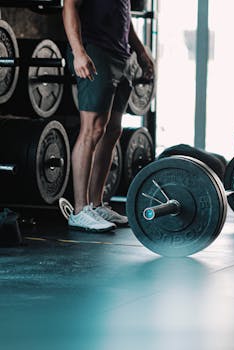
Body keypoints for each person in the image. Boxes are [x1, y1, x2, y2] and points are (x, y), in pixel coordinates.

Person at [63, 0, 154, 232]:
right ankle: (80, 210)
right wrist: (79, 52)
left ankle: (96, 204)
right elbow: (69, 7)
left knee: (113, 130)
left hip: (121, 54)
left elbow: (124, 18)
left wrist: (141, 51)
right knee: (92, 129)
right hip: (95, 50)